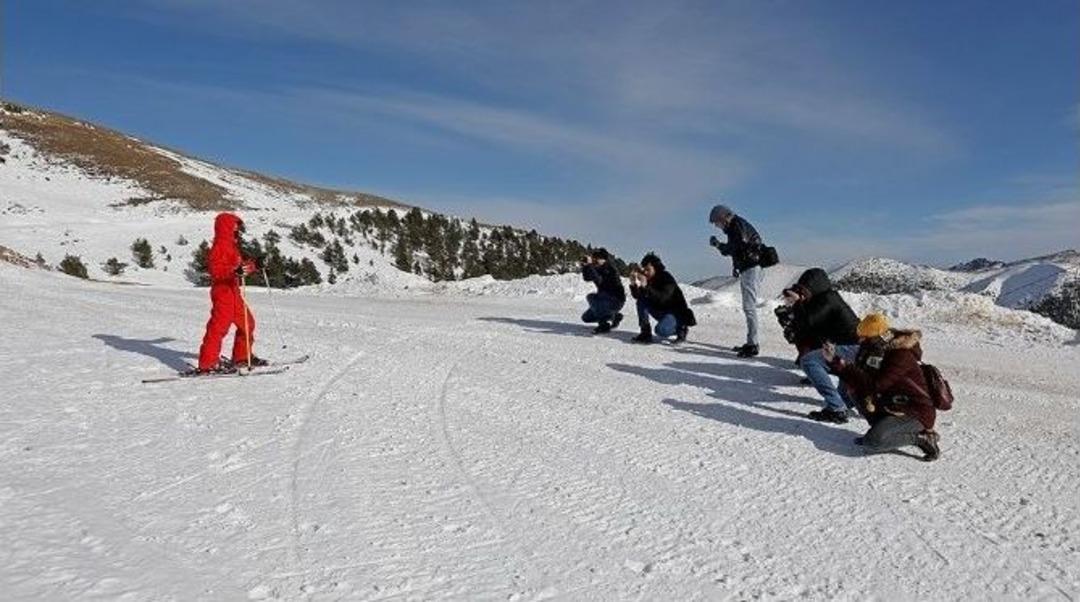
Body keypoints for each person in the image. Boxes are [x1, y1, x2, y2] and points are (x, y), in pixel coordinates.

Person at [825, 313, 941, 461]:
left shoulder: (900, 355)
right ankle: (881, 431)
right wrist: (835, 361)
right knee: (855, 391)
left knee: (872, 442)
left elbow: (876, 385)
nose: (860, 340)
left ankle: (921, 438)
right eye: (860, 336)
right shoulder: (873, 349)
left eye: (865, 337)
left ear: (878, 337)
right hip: (892, 405)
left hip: (915, 411)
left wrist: (846, 366)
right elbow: (860, 376)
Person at [780, 268, 861, 423]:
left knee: (809, 361)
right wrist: (789, 323)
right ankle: (845, 403)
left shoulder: (829, 299)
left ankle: (837, 409)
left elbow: (808, 322)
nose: (803, 294)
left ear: (815, 287)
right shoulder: (818, 300)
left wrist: (797, 304)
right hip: (851, 348)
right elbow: (807, 330)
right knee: (844, 393)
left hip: (854, 349)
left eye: (804, 290)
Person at [196, 212, 264, 374]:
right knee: (218, 327)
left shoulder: (232, 246)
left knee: (247, 323)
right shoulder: (219, 246)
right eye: (234, 225)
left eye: (237, 225)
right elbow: (216, 271)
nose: (237, 228)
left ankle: (241, 357)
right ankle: (207, 364)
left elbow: (239, 269)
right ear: (225, 227)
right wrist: (234, 271)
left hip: (234, 291)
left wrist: (254, 265)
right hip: (223, 292)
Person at [708, 204, 764, 358]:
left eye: (716, 222)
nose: (717, 226)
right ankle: (751, 342)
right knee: (748, 307)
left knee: (749, 307)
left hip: (752, 268)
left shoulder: (736, 226)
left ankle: (753, 345)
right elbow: (737, 250)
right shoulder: (735, 226)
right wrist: (736, 266)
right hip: (748, 267)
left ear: (723, 218)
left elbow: (737, 247)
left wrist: (719, 245)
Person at [629, 252, 696, 344]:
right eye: (644, 269)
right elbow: (638, 297)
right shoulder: (649, 279)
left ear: (656, 267)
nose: (645, 272)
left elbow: (663, 298)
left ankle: (681, 328)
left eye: (648, 269)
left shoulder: (666, 278)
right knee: (641, 301)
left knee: (661, 331)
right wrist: (633, 284)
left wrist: (646, 286)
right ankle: (645, 333)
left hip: (675, 313)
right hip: (661, 310)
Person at [580, 247, 626, 334]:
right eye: (594, 258)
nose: (595, 261)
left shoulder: (610, 269)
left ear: (604, 259)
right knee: (586, 318)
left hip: (615, 300)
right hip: (603, 300)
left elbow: (599, 280)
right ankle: (614, 316)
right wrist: (585, 267)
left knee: (591, 297)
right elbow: (587, 278)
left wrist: (590, 266)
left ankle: (604, 325)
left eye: (597, 259)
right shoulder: (597, 267)